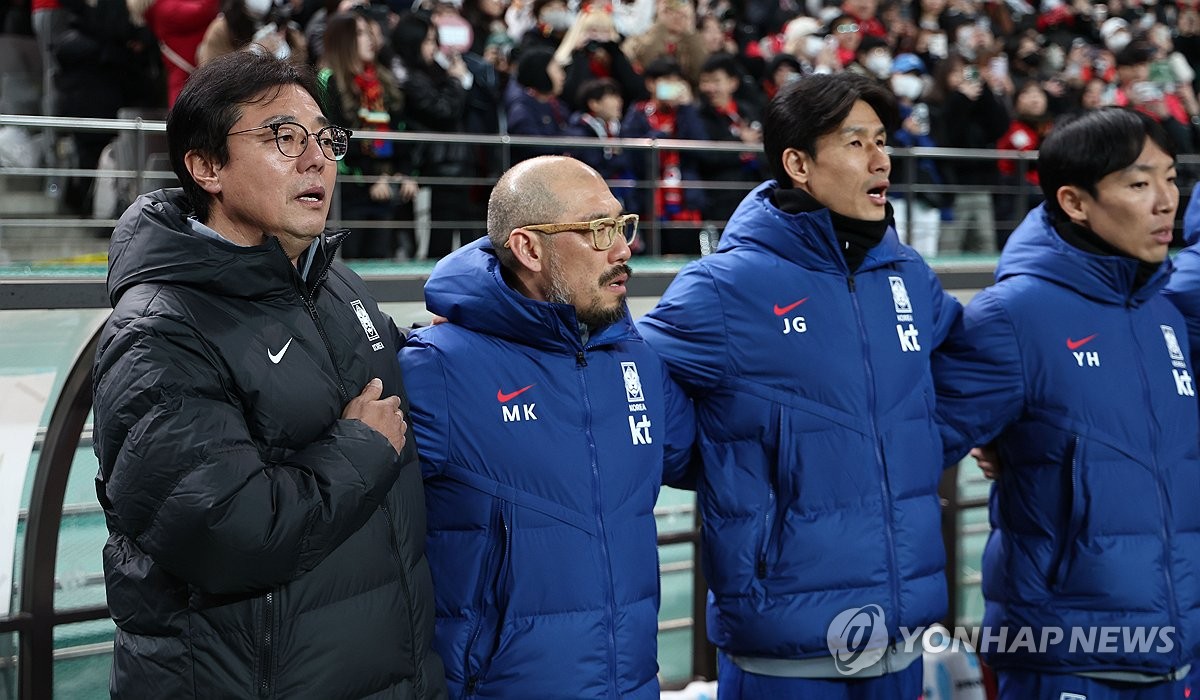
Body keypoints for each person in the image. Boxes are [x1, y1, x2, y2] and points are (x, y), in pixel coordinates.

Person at [91, 51, 446, 699]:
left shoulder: (335, 283)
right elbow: (227, 531)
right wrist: (362, 450)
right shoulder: (157, 329)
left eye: (325, 138)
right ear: (206, 166)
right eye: (283, 137)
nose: (317, 159)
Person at [638, 72, 962, 699]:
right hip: (783, 655)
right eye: (856, 143)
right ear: (798, 163)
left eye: (883, 141)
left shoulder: (905, 273)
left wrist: (926, 441)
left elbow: (966, 363)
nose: (881, 160)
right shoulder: (723, 288)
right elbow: (629, 382)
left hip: (899, 645)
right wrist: (718, 458)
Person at [398, 155, 696, 699]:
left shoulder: (636, 360)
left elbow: (722, 449)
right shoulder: (438, 368)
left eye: (622, 226)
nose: (623, 248)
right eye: (598, 230)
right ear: (528, 247)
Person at [934, 107, 1200, 699]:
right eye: (1138, 183)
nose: (1165, 201)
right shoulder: (1012, 316)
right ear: (1075, 203)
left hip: (1177, 658)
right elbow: (908, 448)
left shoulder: (1164, 313)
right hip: (1065, 662)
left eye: (1171, 178)